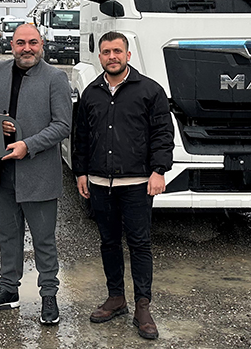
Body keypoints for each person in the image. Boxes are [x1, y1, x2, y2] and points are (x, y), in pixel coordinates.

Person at [73, 31, 174, 340]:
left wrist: (159, 171)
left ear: (128, 55)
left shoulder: (150, 91)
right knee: (109, 242)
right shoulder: (91, 93)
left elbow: (162, 133)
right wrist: (81, 173)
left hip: (138, 183)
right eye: (106, 52)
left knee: (140, 244)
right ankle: (116, 298)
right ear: (99, 57)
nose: (112, 56)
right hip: (99, 183)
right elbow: (81, 136)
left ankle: (143, 306)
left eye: (117, 51)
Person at [0, 24, 72, 325]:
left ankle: (49, 295)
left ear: (42, 44)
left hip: (38, 174)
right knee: (7, 235)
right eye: (20, 43)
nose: (26, 48)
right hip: (3, 172)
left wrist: (27, 145)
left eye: (32, 42)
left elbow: (62, 126)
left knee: (44, 240)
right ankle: (8, 290)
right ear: (11, 45)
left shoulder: (55, 78)